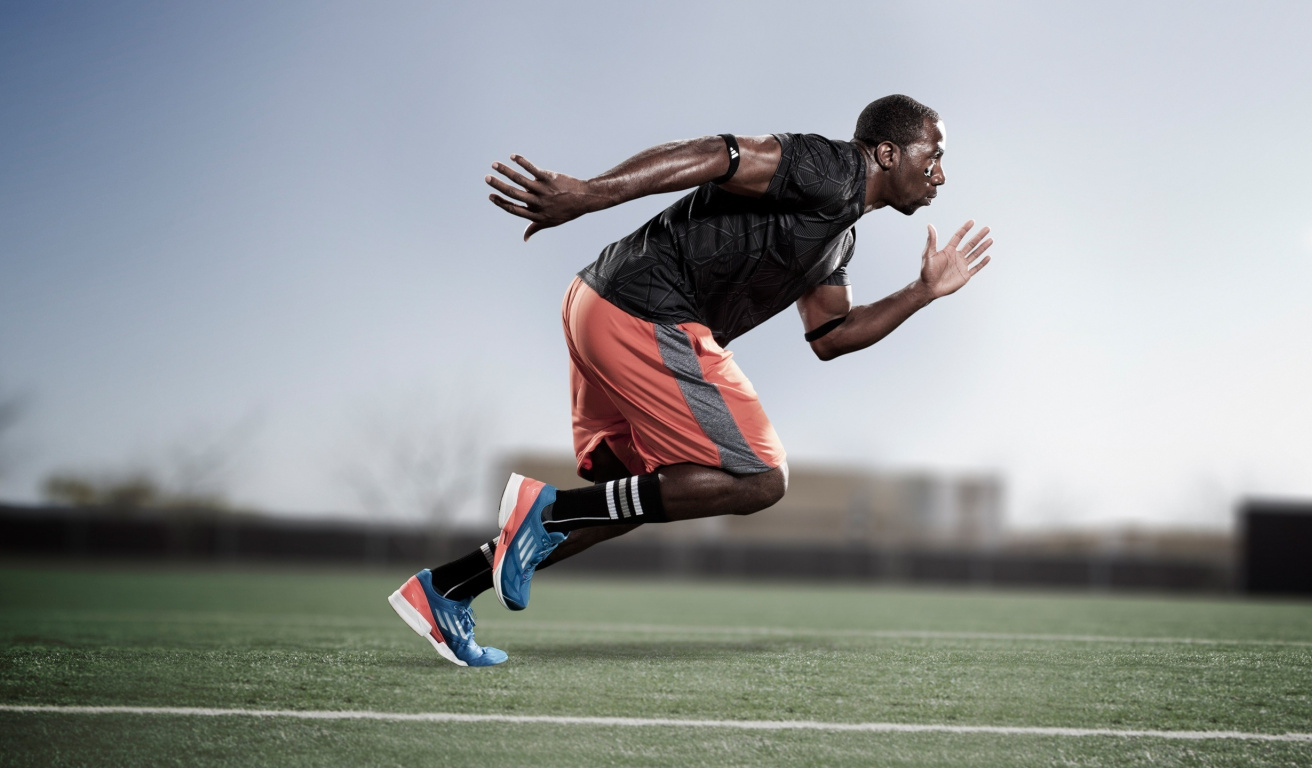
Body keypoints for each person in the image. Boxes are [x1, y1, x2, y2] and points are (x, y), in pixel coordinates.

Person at [387, 94, 992, 666]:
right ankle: (546, 513)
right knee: (761, 478)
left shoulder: (840, 235)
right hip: (644, 309)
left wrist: (922, 292)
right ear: (887, 153)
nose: (940, 175)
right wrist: (591, 195)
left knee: (637, 495)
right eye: (933, 157)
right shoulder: (830, 167)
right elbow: (715, 153)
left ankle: (448, 590)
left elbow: (832, 336)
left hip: (599, 303)